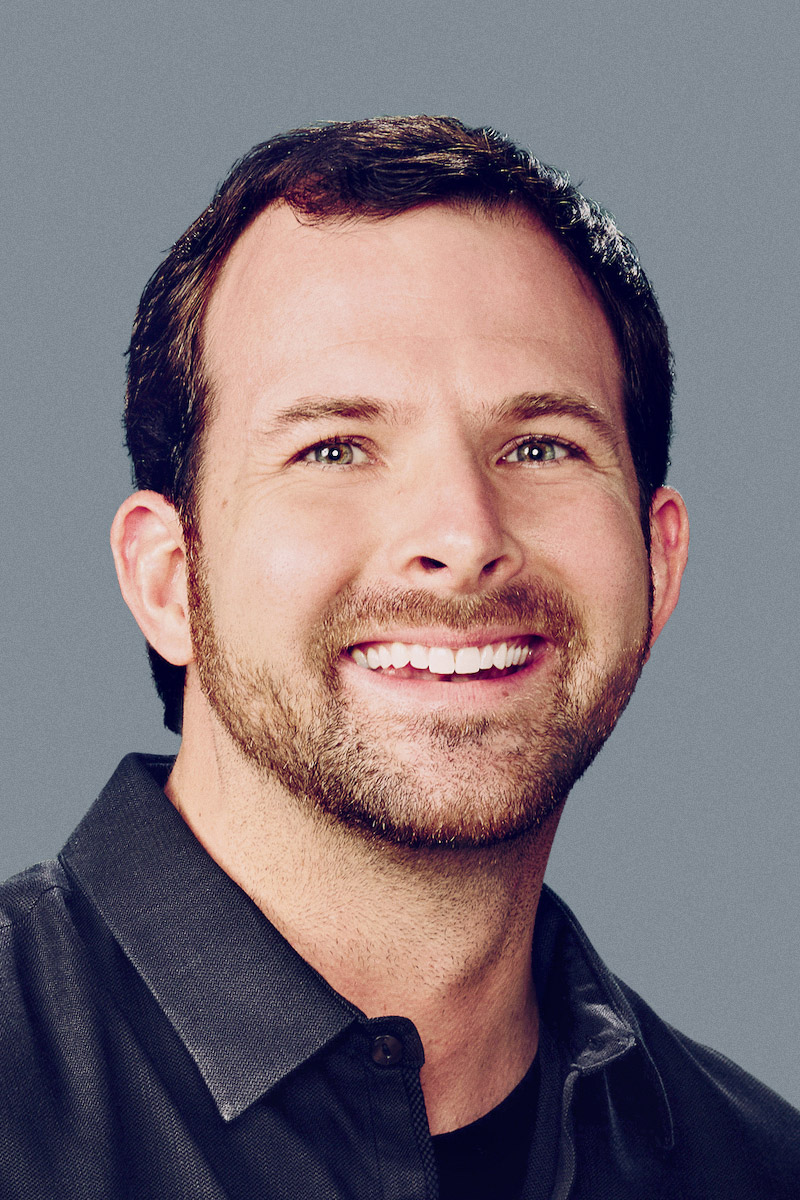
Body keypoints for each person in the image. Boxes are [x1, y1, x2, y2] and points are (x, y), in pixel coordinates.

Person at [1, 116, 797, 1200]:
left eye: (540, 446)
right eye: (333, 448)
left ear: (656, 564)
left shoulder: (757, 1168)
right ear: (168, 580)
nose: (463, 535)